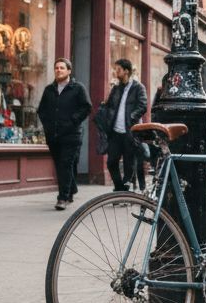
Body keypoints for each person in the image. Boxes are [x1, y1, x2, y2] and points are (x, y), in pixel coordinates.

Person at [38, 57, 92, 211]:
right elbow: (41, 110)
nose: (58, 70)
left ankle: (62, 198)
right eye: (56, 68)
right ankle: (71, 190)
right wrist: (48, 126)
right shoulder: (49, 90)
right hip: (53, 135)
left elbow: (86, 107)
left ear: (69, 71)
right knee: (60, 165)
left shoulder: (78, 88)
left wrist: (73, 121)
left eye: (62, 68)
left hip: (71, 134)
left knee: (66, 164)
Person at [99, 58, 148, 193]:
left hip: (130, 132)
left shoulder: (138, 87)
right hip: (115, 132)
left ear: (126, 71)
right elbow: (109, 106)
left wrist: (131, 118)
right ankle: (120, 188)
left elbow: (143, 106)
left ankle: (124, 192)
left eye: (118, 69)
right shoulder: (116, 88)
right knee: (111, 162)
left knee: (128, 164)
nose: (116, 72)